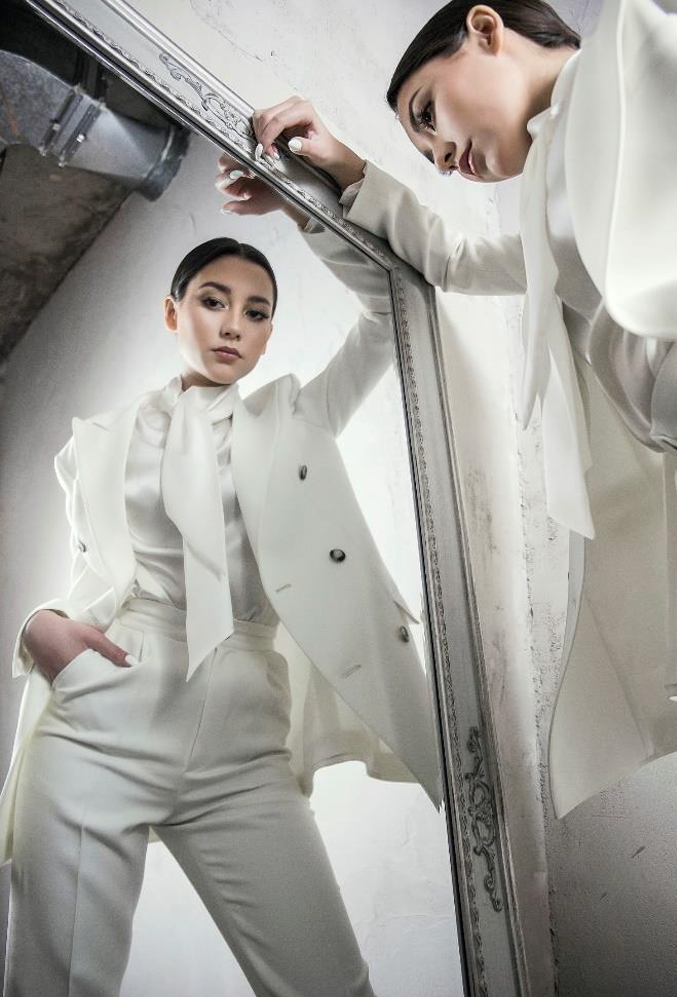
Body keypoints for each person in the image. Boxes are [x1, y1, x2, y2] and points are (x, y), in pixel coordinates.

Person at [0, 172, 441, 996]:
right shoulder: (95, 444)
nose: (234, 323)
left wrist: (304, 204)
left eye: (256, 310)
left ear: (269, 334)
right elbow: (97, 574)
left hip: (243, 733)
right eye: (212, 300)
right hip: (104, 717)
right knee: (52, 985)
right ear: (173, 313)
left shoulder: (296, 420)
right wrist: (40, 624)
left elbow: (394, 311)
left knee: (331, 985)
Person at [242, 0, 677, 817]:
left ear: (484, 30)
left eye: (427, 115)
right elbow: (455, 259)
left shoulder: (639, 38)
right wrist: (338, 170)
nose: (442, 158)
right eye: (426, 155)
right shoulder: (545, 194)